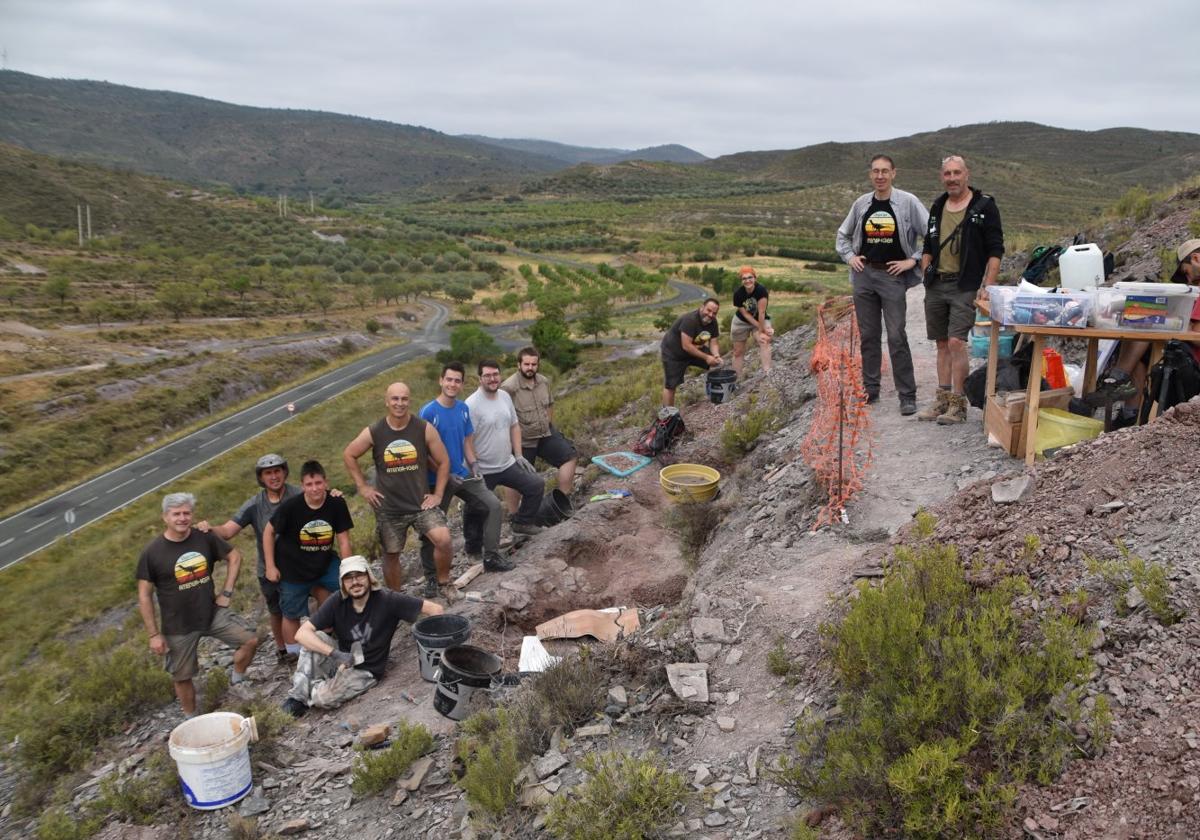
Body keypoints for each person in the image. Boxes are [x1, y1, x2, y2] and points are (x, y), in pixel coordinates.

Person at [137, 492, 258, 718]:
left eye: (186, 513)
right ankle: (191, 718)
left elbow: (235, 557)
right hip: (178, 625)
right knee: (182, 676)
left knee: (249, 640)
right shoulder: (152, 552)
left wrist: (227, 592)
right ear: (165, 517)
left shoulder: (204, 536)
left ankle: (238, 679)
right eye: (176, 514)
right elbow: (144, 595)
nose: (182, 518)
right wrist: (153, 634)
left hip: (211, 613)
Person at [281, 555, 443, 717]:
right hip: (342, 658)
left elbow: (435, 610)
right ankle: (298, 699)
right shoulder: (337, 600)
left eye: (359, 576)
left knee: (322, 699)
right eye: (348, 578)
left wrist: (426, 639)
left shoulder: (388, 599)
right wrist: (335, 653)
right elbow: (301, 634)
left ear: (369, 576)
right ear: (342, 583)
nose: (355, 582)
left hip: (367, 669)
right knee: (315, 636)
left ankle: (313, 688)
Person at [343, 382, 456, 597]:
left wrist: (438, 494)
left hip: (420, 503)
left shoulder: (423, 428)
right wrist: (363, 487)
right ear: (387, 401)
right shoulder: (374, 431)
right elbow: (349, 454)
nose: (400, 403)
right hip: (390, 508)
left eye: (404, 398)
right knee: (391, 554)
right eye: (395, 399)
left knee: (444, 539)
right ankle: (396, 599)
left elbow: (444, 461)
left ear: (409, 400)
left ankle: (444, 582)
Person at [835, 154, 929, 415]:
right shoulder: (862, 204)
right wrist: (850, 257)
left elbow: (932, 236)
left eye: (884, 171)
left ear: (894, 173)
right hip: (864, 275)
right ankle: (870, 389)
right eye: (875, 171)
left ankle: (907, 395)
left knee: (897, 335)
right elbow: (842, 236)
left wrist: (913, 260)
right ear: (870, 174)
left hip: (892, 276)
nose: (880, 176)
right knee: (869, 335)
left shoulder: (908, 202)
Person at [918, 155, 1004, 424]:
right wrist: (926, 267)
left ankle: (958, 404)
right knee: (941, 343)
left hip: (964, 284)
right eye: (947, 174)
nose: (952, 178)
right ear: (941, 176)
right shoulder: (938, 205)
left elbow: (995, 249)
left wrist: (987, 285)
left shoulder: (984, 206)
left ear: (967, 174)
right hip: (937, 284)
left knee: (957, 342)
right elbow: (929, 245)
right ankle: (942, 400)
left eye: (957, 173)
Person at [197, 453, 299, 664]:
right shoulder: (254, 505)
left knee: (308, 602)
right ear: (261, 477)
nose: (273, 477)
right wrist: (206, 529)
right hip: (268, 570)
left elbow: (320, 501)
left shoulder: (299, 494)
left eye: (277, 471)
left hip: (301, 565)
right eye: (268, 473)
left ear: (285, 472)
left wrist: (332, 494)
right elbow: (227, 531)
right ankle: (283, 651)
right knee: (276, 610)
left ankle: (321, 637)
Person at [419, 362, 513, 586]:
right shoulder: (428, 411)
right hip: (435, 481)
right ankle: (432, 579)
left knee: (493, 505)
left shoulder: (462, 409)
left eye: (457, 380)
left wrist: (474, 465)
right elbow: (423, 451)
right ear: (441, 380)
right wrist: (443, 473)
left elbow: (466, 441)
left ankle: (490, 556)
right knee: (431, 530)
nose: (452, 384)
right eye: (449, 379)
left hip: (462, 474)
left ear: (462, 384)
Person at [1091, 238, 1200, 416]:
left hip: (1191, 369)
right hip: (1185, 360)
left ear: (1195, 259)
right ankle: (1129, 413)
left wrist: (1175, 324)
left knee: (1146, 324)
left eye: (1186, 273)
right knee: (1141, 343)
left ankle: (1117, 380)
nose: (1188, 280)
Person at [262, 460, 353, 659]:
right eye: (309, 485)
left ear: (326, 483)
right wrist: (270, 566)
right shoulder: (291, 507)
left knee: (348, 591)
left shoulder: (336, 503)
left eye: (319, 483)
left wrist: (348, 570)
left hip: (324, 562)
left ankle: (331, 638)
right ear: (302, 486)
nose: (315, 489)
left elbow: (344, 540)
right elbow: (268, 532)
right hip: (292, 568)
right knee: (291, 613)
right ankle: (293, 655)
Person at [465, 360, 545, 537]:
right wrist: (473, 464)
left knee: (536, 485)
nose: (492, 379)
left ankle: (522, 523)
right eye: (487, 375)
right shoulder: (471, 405)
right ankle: (473, 548)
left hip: (507, 464)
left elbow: (514, 426)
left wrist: (518, 455)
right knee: (476, 508)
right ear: (480, 378)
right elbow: (466, 439)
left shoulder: (504, 396)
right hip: (483, 469)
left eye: (495, 374)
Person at [501, 347, 579, 506]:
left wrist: (548, 425)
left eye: (534, 364)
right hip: (522, 441)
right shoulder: (508, 388)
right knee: (513, 477)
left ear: (538, 364)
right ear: (519, 365)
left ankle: (562, 501)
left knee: (570, 457)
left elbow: (549, 405)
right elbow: (502, 418)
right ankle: (513, 513)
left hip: (545, 434)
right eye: (526, 364)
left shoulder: (543, 381)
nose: (530, 368)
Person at [660, 298, 722, 407]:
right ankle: (668, 415)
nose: (711, 314)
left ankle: (715, 395)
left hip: (694, 349)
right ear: (702, 307)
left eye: (714, 313)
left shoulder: (713, 322)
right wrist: (707, 357)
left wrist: (716, 355)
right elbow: (687, 346)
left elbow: (714, 343)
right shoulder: (690, 320)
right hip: (674, 353)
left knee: (715, 363)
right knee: (671, 385)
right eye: (708, 310)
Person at [730, 267, 773, 377]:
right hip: (741, 321)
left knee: (764, 340)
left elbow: (762, 312)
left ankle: (767, 373)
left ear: (755, 278)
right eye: (744, 278)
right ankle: (736, 380)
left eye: (750, 277)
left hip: (760, 318)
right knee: (738, 351)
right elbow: (745, 314)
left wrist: (762, 329)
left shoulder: (761, 291)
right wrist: (762, 328)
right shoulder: (738, 294)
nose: (747, 280)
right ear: (741, 280)